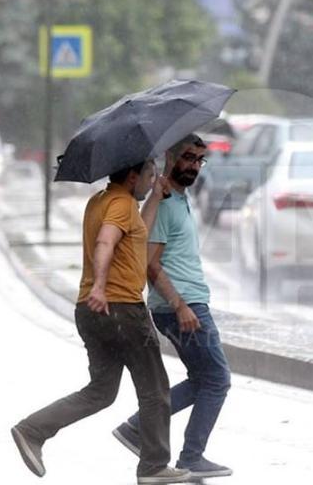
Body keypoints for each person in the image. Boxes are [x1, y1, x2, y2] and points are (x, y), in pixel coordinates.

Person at [10, 159, 189, 485]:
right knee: (155, 390)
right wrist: (100, 286)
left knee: (101, 392)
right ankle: (153, 466)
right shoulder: (120, 204)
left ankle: (32, 430)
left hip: (91, 313)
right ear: (132, 176)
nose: (152, 181)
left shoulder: (102, 201)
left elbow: (137, 236)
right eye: (149, 176)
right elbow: (106, 241)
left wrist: (155, 198)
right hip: (121, 309)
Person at [112, 134, 233, 479]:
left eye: (199, 159)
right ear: (170, 156)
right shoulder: (164, 203)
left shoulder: (178, 199)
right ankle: (190, 456)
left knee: (204, 378)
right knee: (217, 379)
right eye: (188, 157)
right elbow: (151, 264)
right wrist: (180, 305)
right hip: (181, 305)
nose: (194, 165)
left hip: (186, 302)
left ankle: (137, 428)